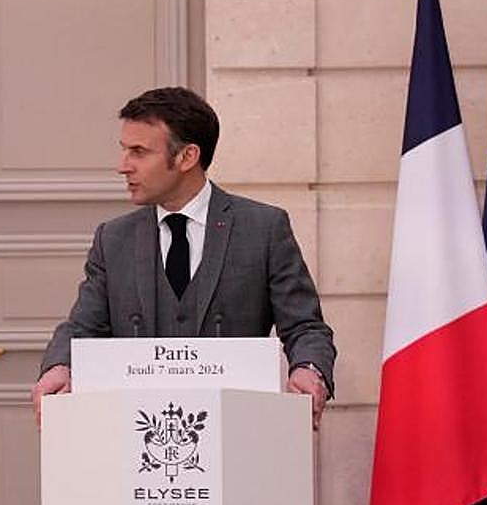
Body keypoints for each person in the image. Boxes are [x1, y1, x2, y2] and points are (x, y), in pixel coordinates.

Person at [32, 87, 334, 428]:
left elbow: (306, 327)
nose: (122, 166)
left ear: (187, 157)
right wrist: (59, 366)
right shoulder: (113, 238)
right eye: (124, 150)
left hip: (239, 435)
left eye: (139, 152)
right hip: (136, 439)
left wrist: (310, 370)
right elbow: (83, 327)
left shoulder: (263, 228)